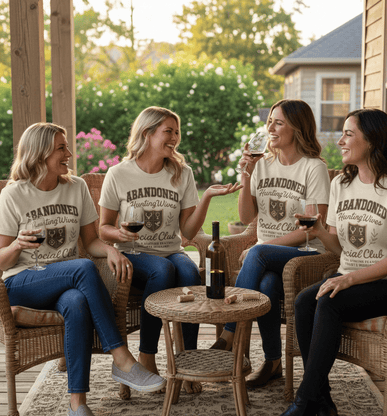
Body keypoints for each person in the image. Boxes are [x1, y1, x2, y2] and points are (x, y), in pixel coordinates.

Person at [0, 123, 167, 416]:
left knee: (76, 303)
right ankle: (121, 357)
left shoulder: (76, 187)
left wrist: (111, 249)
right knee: (82, 269)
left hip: (67, 282)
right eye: (61, 148)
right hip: (22, 281)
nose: (69, 154)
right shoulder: (13, 195)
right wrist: (16, 246)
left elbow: (91, 242)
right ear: (39, 154)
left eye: (67, 146)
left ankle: (77, 404)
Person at [280, 108, 387, 416]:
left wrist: (349, 279)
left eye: (348, 134)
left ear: (371, 141)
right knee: (304, 302)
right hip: (350, 277)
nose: (340, 141)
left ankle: (304, 403)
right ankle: (321, 398)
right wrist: (317, 231)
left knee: (328, 301)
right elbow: (339, 248)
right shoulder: (341, 183)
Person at [98, 106, 242, 394]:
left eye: (177, 132)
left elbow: (187, 233)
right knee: (162, 271)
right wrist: (119, 233)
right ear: (147, 133)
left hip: (170, 249)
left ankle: (187, 362)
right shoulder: (118, 174)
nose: (175, 137)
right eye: (169, 131)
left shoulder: (181, 173)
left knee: (188, 269)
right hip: (135, 254)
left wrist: (208, 196)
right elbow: (102, 228)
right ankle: (147, 357)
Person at [210, 99, 331, 388]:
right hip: (267, 257)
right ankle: (273, 362)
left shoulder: (313, 168)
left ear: (297, 128)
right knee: (266, 286)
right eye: (270, 122)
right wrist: (246, 173)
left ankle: (229, 334)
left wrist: (259, 248)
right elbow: (246, 215)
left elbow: (312, 229)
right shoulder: (262, 164)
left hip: (305, 252)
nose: (271, 128)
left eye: (279, 122)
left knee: (259, 252)